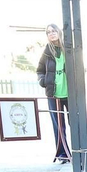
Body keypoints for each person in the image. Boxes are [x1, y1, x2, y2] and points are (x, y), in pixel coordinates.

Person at [35, 24, 70, 163]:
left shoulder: (68, 49)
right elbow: (39, 70)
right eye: (48, 32)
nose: (51, 33)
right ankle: (62, 154)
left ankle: (78, 152)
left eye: (53, 30)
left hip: (70, 94)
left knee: (75, 123)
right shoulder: (46, 52)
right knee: (58, 126)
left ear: (59, 32)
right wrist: (43, 81)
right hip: (53, 95)